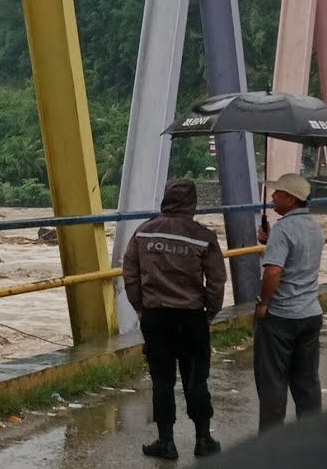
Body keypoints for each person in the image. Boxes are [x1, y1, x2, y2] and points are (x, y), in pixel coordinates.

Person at [122, 179, 226, 460]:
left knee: (162, 380)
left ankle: (166, 442)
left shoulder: (143, 233)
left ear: (165, 199)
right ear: (192, 203)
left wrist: (140, 308)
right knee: (196, 380)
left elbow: (130, 273)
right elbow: (217, 281)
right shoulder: (203, 236)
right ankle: (203, 439)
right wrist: (210, 313)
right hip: (192, 318)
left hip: (156, 317)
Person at [253, 173, 324, 431]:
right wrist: (267, 241)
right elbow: (299, 262)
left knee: (273, 380)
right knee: (307, 380)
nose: (272, 197)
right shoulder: (315, 229)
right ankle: (312, 435)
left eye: (278, 193)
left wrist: (263, 302)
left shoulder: (283, 229)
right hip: (310, 313)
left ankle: (272, 443)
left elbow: (273, 271)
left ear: (290, 199)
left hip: (281, 317)